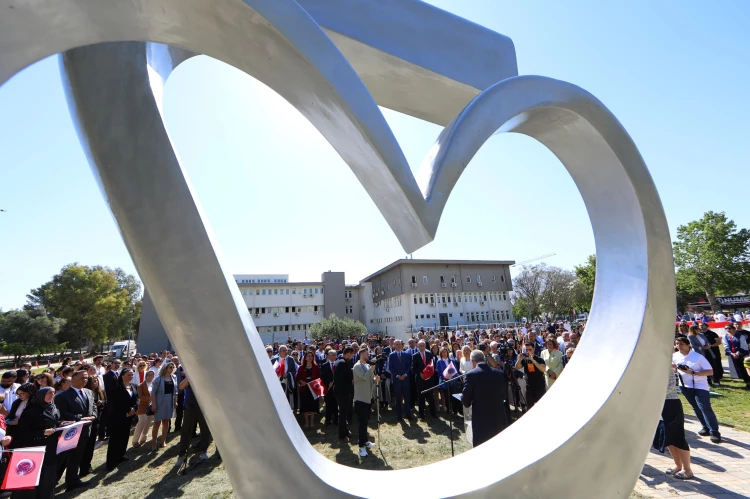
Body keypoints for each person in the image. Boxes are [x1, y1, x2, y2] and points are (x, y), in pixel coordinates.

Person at [13, 387, 60, 499]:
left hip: (51, 447)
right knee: (35, 479)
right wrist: (42, 433)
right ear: (41, 395)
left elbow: (54, 422)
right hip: (36, 449)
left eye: (53, 393)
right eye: (49, 393)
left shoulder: (53, 407)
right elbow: (23, 434)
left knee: (48, 477)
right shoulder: (30, 412)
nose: (52, 395)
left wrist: (61, 424)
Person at [673, 336, 721, 443]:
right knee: (695, 407)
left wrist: (693, 372)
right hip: (684, 386)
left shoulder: (698, 357)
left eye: (681, 344)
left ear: (688, 345)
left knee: (705, 408)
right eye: (677, 344)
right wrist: (675, 368)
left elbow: (710, 371)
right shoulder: (675, 356)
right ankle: (705, 427)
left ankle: (714, 432)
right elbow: (674, 368)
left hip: (700, 386)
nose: (678, 346)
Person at [54, 370, 96, 491]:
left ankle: (72, 480)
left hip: (86, 430)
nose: (85, 380)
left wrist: (93, 416)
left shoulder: (88, 392)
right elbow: (62, 413)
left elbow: (93, 407)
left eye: (86, 378)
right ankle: (53, 482)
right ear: (72, 380)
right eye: (82, 378)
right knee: (66, 459)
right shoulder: (62, 396)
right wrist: (79, 418)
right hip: (71, 432)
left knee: (77, 457)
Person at [461, 350, 509, 447]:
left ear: (472, 362)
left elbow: (466, 401)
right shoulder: (498, 373)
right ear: (484, 359)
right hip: (498, 417)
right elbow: (504, 395)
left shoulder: (470, 375)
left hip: (481, 419)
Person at [660, 366, 693, 480]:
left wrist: (654, 396)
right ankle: (678, 466)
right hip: (659, 406)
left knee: (678, 438)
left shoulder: (665, 366)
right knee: (668, 437)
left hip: (671, 404)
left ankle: (687, 470)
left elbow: (671, 385)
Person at [175, 372, 212, 467]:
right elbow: (181, 387)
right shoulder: (190, 374)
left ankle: (203, 451)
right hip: (190, 405)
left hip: (204, 406)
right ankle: (182, 455)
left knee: (205, 429)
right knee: (186, 430)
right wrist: (188, 377)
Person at [106, 368, 139, 471]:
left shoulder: (134, 386)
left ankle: (120, 456)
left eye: (132, 374)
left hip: (129, 417)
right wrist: (128, 409)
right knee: (115, 439)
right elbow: (116, 403)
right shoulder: (117, 388)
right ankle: (111, 462)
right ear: (122, 376)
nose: (131, 376)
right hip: (118, 417)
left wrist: (134, 408)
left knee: (125, 436)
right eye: (129, 374)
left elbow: (137, 399)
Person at [352, 347, 379, 457]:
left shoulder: (367, 366)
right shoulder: (357, 366)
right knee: (362, 424)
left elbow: (370, 379)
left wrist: (375, 380)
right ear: (361, 354)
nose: (368, 355)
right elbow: (364, 377)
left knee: (366, 421)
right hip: (360, 399)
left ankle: (365, 441)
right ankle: (361, 447)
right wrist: (372, 368)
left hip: (368, 398)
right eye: (367, 353)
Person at [151, 361, 178, 450]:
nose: (172, 368)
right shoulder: (158, 379)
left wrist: (175, 401)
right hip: (160, 402)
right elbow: (153, 393)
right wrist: (154, 405)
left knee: (166, 422)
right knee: (157, 423)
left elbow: (175, 391)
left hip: (169, 401)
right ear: (165, 368)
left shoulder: (174, 377)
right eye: (170, 367)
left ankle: (163, 441)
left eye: (173, 367)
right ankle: (154, 443)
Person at [515, 342, 546, 410]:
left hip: (539, 385)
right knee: (530, 405)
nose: (528, 351)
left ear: (534, 349)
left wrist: (533, 360)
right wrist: (520, 359)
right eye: (526, 350)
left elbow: (543, 369)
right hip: (529, 386)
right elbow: (517, 367)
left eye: (530, 349)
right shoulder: (525, 360)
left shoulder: (539, 359)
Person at [334, 346, 354, 441]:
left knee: (343, 413)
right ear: (348, 353)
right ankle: (342, 435)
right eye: (352, 355)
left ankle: (345, 431)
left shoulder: (338, 361)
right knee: (342, 414)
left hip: (340, 391)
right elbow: (348, 377)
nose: (352, 357)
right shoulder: (343, 363)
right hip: (343, 392)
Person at [388, 340, 412, 421]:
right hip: (397, 380)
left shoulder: (406, 354)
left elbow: (409, 366)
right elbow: (391, 367)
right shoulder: (391, 355)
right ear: (394, 345)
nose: (398, 345)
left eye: (399, 344)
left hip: (405, 379)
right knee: (398, 398)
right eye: (397, 344)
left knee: (407, 397)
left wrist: (405, 374)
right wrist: (397, 375)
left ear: (402, 345)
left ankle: (408, 414)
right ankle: (399, 415)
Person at [412, 340, 437, 419]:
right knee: (421, 396)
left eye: (423, 345)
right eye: (420, 345)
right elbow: (413, 368)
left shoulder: (429, 354)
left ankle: (433, 413)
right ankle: (421, 414)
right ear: (418, 346)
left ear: (425, 346)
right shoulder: (415, 355)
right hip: (420, 379)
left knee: (431, 396)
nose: (422, 347)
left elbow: (432, 365)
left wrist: (429, 374)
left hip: (429, 378)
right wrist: (420, 373)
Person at [296, 351, 321, 428]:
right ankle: (306, 421)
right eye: (308, 356)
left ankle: (312, 421)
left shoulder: (316, 367)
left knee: (313, 404)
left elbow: (319, 377)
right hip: (304, 388)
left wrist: (315, 383)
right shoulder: (301, 367)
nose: (310, 357)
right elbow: (297, 377)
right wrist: (301, 381)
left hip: (313, 388)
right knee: (305, 405)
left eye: (311, 356)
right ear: (305, 358)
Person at [132, 370, 155, 447]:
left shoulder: (154, 384)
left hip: (151, 406)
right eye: (149, 374)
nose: (150, 376)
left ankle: (143, 437)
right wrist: (150, 399)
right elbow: (140, 396)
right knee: (142, 421)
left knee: (148, 422)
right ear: (146, 375)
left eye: (152, 375)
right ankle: (135, 440)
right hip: (142, 405)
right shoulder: (140, 385)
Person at [320, 349, 338, 427]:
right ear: (328, 356)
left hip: (336, 388)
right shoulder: (324, 365)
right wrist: (328, 383)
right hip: (328, 389)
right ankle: (328, 420)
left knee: (336, 405)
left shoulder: (338, 364)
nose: (334, 356)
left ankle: (336, 420)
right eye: (332, 355)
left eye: (335, 355)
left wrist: (335, 383)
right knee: (328, 405)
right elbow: (322, 377)